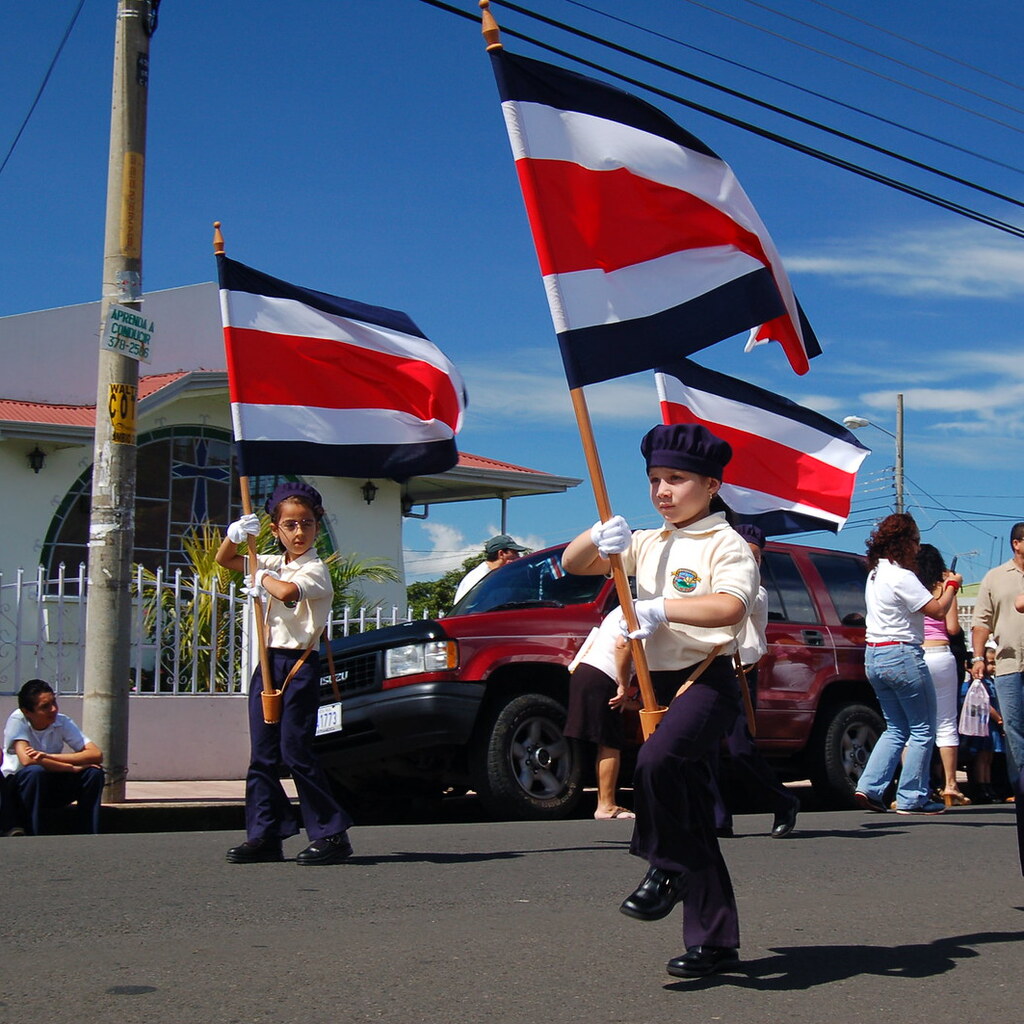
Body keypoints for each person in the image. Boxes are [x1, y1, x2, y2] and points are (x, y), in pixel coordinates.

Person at [562, 423, 758, 980]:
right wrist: (597, 536)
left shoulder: (727, 544)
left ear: (712, 485)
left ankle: (665, 866)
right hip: (655, 684)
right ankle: (714, 941)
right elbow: (575, 566)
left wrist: (661, 609)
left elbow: (729, 608)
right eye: (654, 480)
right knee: (691, 812)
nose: (663, 491)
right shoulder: (645, 541)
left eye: (676, 479)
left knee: (655, 762)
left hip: (707, 677)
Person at [216, 482, 353, 865]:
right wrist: (235, 536)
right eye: (289, 525)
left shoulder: (315, 569)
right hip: (267, 664)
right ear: (274, 530)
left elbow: (289, 593)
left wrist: (260, 580)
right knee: (262, 754)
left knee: (295, 750)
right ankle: (266, 833)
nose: (298, 532)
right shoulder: (273, 561)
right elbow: (225, 560)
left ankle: (331, 833)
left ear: (317, 527)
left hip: (298, 666)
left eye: (306, 524)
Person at [854, 514, 962, 816]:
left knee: (896, 727)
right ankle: (912, 796)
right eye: (914, 540)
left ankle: (870, 786)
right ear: (903, 543)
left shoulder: (876, 572)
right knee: (923, 728)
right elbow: (938, 611)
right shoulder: (902, 577)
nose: (918, 547)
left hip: (874, 655)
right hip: (902, 654)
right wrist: (952, 584)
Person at [710, 523, 800, 839]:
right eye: (742, 556)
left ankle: (784, 800)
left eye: (755, 558)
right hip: (707, 671)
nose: (749, 564)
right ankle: (718, 817)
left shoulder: (755, 592)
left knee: (739, 749)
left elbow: (732, 609)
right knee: (704, 748)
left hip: (740, 674)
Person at [1, 679, 104, 835]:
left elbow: (96, 754)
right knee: (34, 772)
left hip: (50, 782)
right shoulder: (18, 719)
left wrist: (49, 756)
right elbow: (27, 760)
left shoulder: (61, 721)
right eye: (45, 707)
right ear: (27, 711)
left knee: (93, 774)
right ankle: (30, 833)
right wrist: (71, 768)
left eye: (54, 703)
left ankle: (88, 832)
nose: (53, 709)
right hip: (20, 788)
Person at [564, 609, 638, 820]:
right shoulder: (642, 610)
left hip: (585, 671)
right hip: (603, 676)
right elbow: (623, 644)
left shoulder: (622, 608)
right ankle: (606, 805)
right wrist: (623, 687)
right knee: (610, 742)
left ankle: (604, 802)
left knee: (600, 739)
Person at [972, 524, 1024, 795]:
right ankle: (1020, 787)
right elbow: (981, 623)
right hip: (1009, 666)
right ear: (1016, 543)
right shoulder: (995, 578)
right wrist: (979, 657)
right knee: (1014, 731)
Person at [916, 543, 970, 805]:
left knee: (916, 724)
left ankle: (917, 784)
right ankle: (951, 785)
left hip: (916, 654)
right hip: (941, 655)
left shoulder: (910, 584)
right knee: (946, 722)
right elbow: (953, 627)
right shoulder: (946, 584)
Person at [452, 534, 527, 605]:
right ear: (501, 554)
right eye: (515, 553)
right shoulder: (478, 577)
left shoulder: (498, 576)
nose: (518, 557)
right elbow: (467, 610)